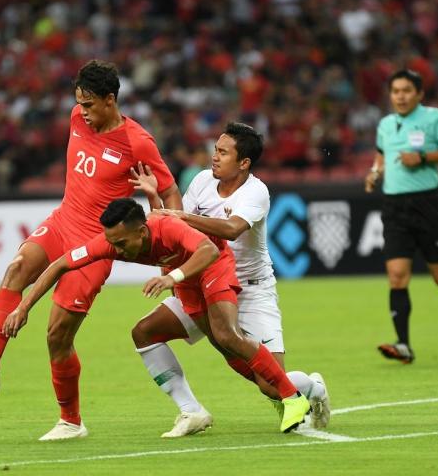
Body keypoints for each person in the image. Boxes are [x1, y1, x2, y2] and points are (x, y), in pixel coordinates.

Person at [0, 60, 182, 440]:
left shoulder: (137, 141)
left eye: (89, 105)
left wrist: (175, 242)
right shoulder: (77, 119)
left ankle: (71, 421)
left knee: (57, 334)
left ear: (110, 100)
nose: (81, 112)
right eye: (79, 104)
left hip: (96, 244)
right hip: (63, 219)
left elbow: (168, 191)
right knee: (17, 267)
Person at [2, 198, 312, 438]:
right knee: (227, 351)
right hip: (187, 282)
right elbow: (59, 265)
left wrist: (171, 278)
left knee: (227, 334)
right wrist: (23, 307)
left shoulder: (167, 227)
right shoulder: (112, 242)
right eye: (112, 243)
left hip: (212, 267)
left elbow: (208, 251)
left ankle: (292, 397)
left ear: (142, 230)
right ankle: (289, 390)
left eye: (122, 243)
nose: (116, 249)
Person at [129, 122, 329, 438]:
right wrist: (157, 199)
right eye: (215, 150)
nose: (215, 157)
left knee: (268, 384)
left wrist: (180, 215)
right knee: (145, 332)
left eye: (223, 152)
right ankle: (191, 410)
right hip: (204, 282)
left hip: (251, 290)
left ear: (244, 163)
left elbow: (232, 228)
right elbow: (178, 229)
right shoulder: (202, 182)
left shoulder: (256, 191)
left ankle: (313, 388)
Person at [365, 69, 438, 364]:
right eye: (395, 91)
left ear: (419, 94)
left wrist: (423, 157)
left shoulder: (434, 118)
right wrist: (375, 173)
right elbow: (381, 156)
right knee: (397, 276)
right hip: (394, 207)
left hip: (426, 205)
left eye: (406, 91)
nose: (400, 96)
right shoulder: (386, 124)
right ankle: (404, 345)